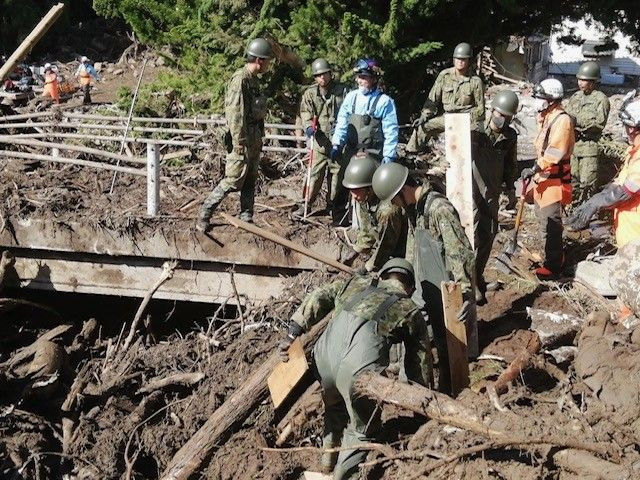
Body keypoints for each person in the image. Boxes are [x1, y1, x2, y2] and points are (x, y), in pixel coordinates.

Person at [278, 258, 432, 479]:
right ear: (410, 287)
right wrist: (421, 406)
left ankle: (326, 465)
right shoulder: (408, 308)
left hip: (323, 361)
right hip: (357, 372)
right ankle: (341, 477)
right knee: (363, 431)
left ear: (382, 275)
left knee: (334, 407)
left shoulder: (355, 283)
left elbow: (320, 295)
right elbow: (419, 360)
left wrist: (294, 330)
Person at [371, 163, 477, 392]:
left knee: (448, 345)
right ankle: (416, 387)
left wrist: (467, 292)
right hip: (423, 283)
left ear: (403, 190)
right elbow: (413, 246)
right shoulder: (414, 209)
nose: (395, 205)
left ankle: (452, 390)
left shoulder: (439, 209)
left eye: (394, 199)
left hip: (445, 289)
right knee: (416, 334)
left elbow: (460, 251)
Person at [197, 38, 273, 230]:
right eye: (267, 60)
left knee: (251, 178)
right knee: (232, 179)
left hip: (254, 138)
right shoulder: (240, 80)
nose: (268, 64)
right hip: (243, 140)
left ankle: (246, 216)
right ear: (259, 60)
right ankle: (205, 212)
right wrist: (239, 141)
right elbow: (235, 113)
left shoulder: (253, 80)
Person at [568, 94, 640, 248]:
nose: (625, 131)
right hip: (630, 231)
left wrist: (597, 202)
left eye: (625, 126)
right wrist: (601, 195)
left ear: (632, 127)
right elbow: (621, 182)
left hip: (635, 235)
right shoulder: (633, 151)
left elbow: (628, 189)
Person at [519, 78, 575, 279]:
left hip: (554, 181)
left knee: (551, 225)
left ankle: (553, 266)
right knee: (544, 223)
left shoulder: (562, 120)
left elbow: (554, 152)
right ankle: (549, 258)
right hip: (543, 179)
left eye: (541, 97)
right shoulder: (547, 117)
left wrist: (535, 166)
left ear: (552, 99)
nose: (537, 101)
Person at [472, 90, 519, 303]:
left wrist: (511, 190)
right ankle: (469, 282)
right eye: (500, 114)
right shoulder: (476, 131)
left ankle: (478, 276)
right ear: (492, 110)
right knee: (472, 236)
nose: (503, 119)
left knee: (488, 235)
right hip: (472, 191)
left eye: (508, 117)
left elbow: (510, 165)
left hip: (492, 192)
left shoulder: (510, 136)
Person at [406, 42, 485, 154]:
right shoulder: (445, 76)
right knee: (423, 127)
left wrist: (469, 120)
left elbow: (480, 109)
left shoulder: (475, 81)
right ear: (453, 59)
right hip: (447, 118)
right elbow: (432, 100)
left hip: (466, 120)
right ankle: (411, 155)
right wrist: (424, 116)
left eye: (464, 59)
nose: (460, 62)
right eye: (458, 58)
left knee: (469, 143)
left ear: (468, 61)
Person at [296, 58, 349, 220]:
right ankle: (305, 204)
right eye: (318, 75)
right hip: (319, 142)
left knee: (337, 177)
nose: (322, 78)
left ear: (330, 74)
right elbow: (305, 113)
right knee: (314, 175)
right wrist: (308, 127)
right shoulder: (310, 94)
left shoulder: (343, 90)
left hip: (338, 143)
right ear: (315, 77)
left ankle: (334, 206)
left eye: (325, 74)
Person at [342, 153, 407, 271]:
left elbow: (386, 246)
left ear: (370, 188)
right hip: (384, 249)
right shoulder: (364, 199)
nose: (354, 196)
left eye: (357, 191)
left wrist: (368, 267)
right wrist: (356, 250)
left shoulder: (387, 210)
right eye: (351, 191)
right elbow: (367, 230)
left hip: (400, 254)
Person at [565, 61, 610, 206]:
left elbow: (599, 123)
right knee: (573, 180)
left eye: (584, 80)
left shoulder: (601, 99)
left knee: (588, 183)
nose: (580, 83)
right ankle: (573, 209)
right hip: (574, 147)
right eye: (579, 79)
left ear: (593, 81)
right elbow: (567, 117)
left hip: (589, 148)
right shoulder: (575, 97)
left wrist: (579, 127)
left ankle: (586, 213)